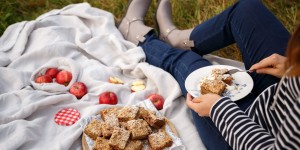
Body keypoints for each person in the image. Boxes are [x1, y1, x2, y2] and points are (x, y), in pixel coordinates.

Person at [118, 0, 300, 149]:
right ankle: (177, 39)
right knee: (247, 10)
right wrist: (294, 67)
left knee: (190, 66)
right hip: (283, 93)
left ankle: (141, 39)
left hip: (248, 131)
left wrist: (219, 109)